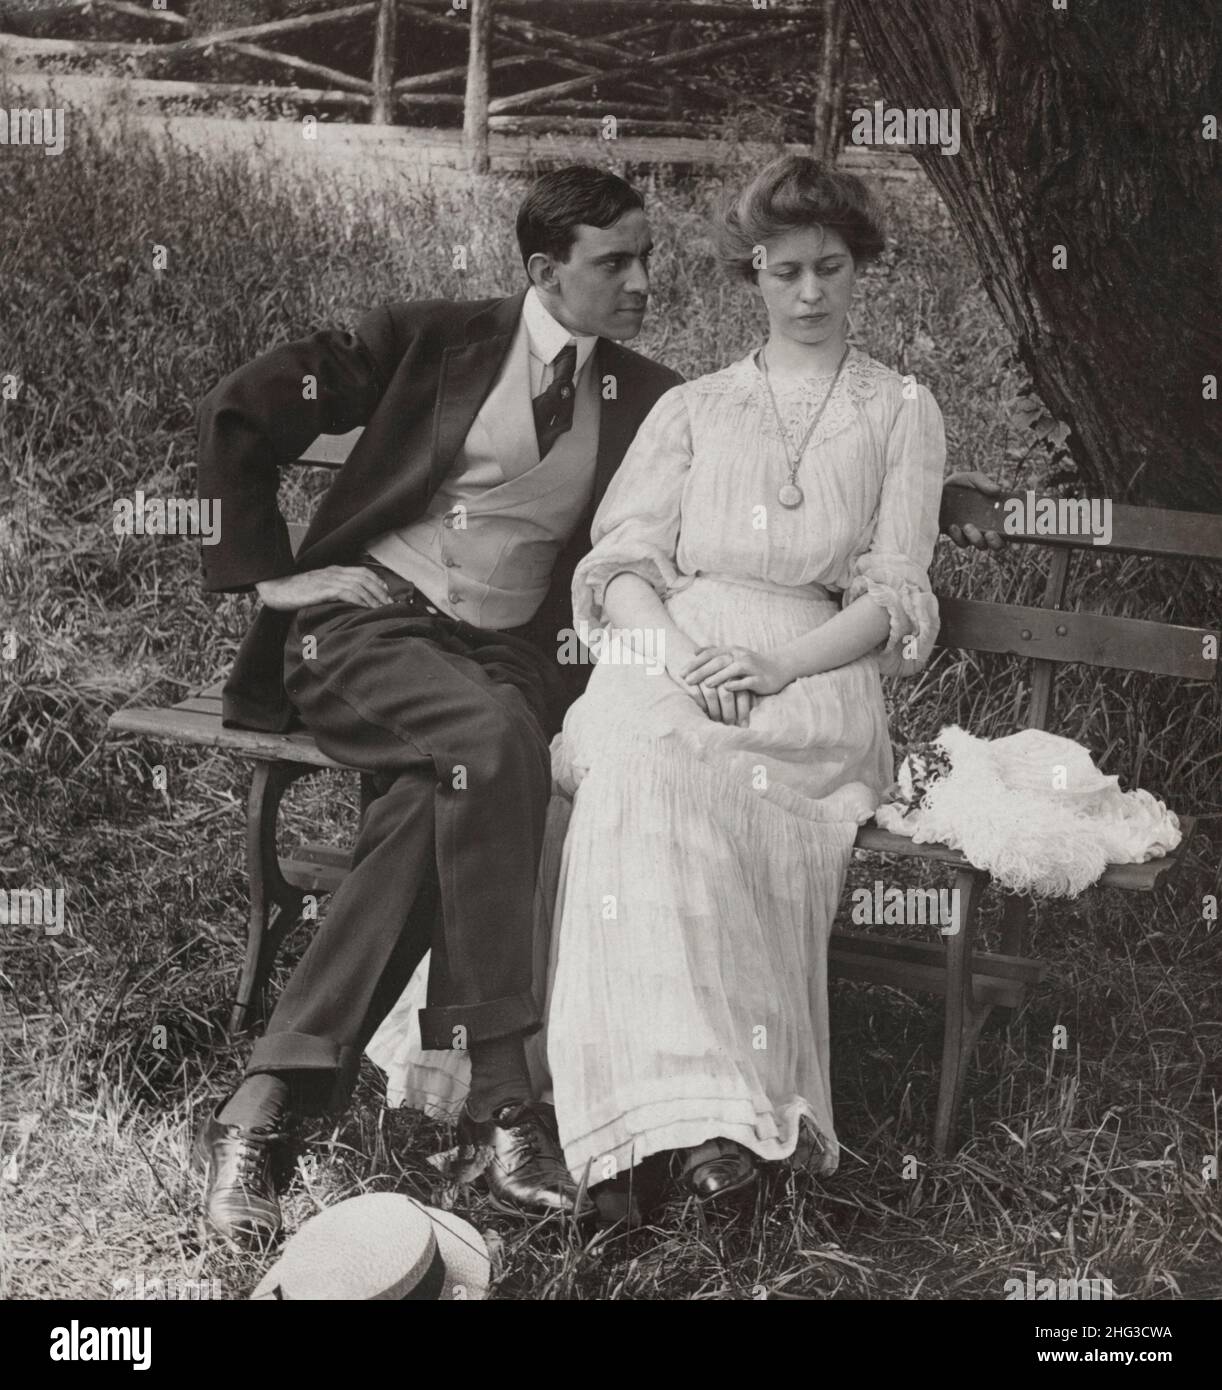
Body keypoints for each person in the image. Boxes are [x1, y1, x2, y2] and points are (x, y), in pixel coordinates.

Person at [193, 167, 680, 1243]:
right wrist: (274, 577)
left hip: (501, 654)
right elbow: (242, 405)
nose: (643, 280)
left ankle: (266, 1117)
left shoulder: (642, 395)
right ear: (544, 271)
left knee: (439, 793)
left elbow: (753, 453)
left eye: (648, 257)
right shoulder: (431, 336)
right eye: (616, 262)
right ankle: (506, 1099)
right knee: (495, 741)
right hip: (365, 631)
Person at [541, 153, 951, 1203]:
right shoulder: (694, 407)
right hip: (668, 649)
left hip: (814, 666)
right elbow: (624, 565)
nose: (808, 293)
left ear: (861, 269)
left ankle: (712, 1114)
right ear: (752, 275)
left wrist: (771, 662)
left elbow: (892, 594)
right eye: (784, 272)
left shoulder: (902, 409)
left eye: (831, 268)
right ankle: (661, 1116)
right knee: (640, 762)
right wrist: (681, 661)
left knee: (697, 778)